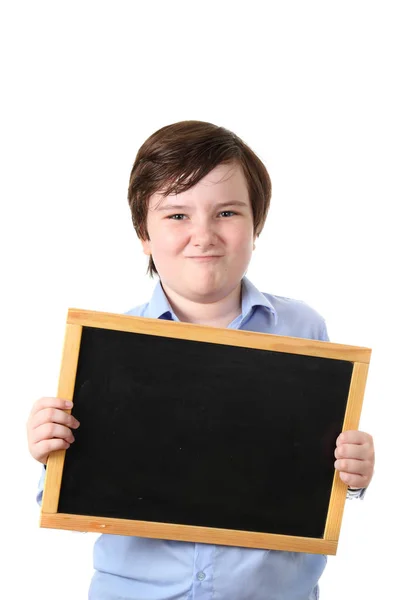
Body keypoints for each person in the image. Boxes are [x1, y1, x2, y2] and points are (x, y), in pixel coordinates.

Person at [27, 120, 375, 600]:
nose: (203, 234)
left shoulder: (304, 332)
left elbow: (312, 479)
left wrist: (352, 476)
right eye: (176, 216)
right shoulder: (107, 348)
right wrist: (52, 449)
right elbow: (74, 493)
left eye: (227, 212)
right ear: (143, 235)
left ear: (256, 226)